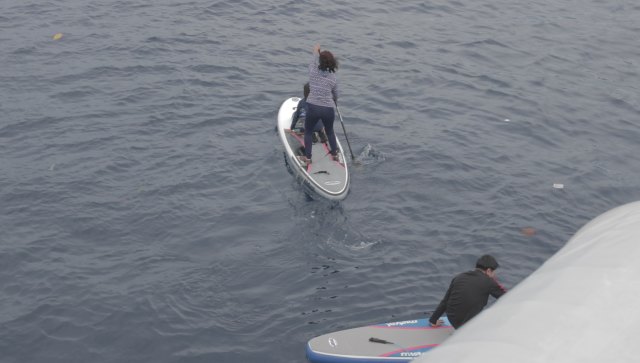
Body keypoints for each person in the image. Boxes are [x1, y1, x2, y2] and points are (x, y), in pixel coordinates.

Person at [429, 255, 507, 329]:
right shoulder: (489, 282)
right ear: (489, 270)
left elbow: (445, 301)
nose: (494, 275)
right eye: (494, 272)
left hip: (452, 319)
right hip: (466, 325)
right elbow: (506, 297)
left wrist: (433, 320)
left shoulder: (459, 277)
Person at [297, 44, 339, 166]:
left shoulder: (313, 72)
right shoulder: (333, 78)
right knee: (330, 131)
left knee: (309, 131)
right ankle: (335, 155)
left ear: (320, 62)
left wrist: (316, 51)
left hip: (313, 107)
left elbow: (313, 60)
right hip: (328, 109)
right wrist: (335, 100)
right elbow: (336, 94)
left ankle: (308, 158)